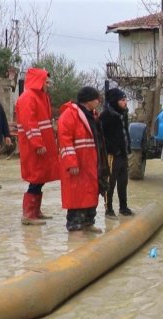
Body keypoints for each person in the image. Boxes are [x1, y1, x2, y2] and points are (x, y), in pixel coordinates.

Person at [56, 86, 109, 232]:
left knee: (91, 193)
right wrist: (71, 163)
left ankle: (88, 223)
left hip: (92, 163)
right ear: (88, 101)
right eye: (96, 98)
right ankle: (75, 225)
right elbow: (64, 142)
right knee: (78, 196)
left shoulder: (92, 115)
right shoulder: (69, 115)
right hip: (78, 164)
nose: (98, 101)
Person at [15, 68, 60, 225]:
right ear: (38, 81)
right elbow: (29, 124)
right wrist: (37, 144)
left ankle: (35, 211)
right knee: (36, 177)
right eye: (46, 82)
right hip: (34, 146)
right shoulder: (28, 98)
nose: (48, 85)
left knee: (40, 177)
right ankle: (28, 215)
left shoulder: (41, 97)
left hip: (43, 145)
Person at [100, 88, 134, 219]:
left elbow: (124, 133)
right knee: (110, 182)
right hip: (112, 155)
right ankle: (108, 209)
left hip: (123, 154)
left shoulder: (122, 113)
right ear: (115, 101)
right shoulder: (106, 116)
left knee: (123, 182)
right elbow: (103, 137)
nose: (125, 102)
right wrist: (113, 149)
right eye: (122, 100)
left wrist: (127, 148)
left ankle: (123, 207)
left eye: (126, 100)